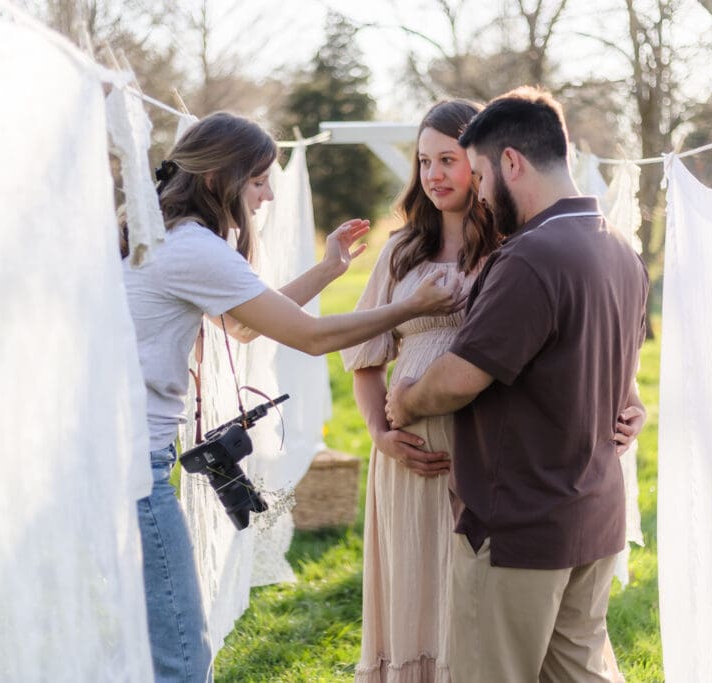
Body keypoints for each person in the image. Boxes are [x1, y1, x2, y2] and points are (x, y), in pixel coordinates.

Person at [121, 111, 463, 683]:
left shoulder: (156, 231)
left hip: (117, 456)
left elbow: (245, 325)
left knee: (155, 642)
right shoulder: (190, 247)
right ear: (217, 180)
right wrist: (412, 306)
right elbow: (310, 338)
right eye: (258, 180)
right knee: (182, 656)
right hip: (136, 465)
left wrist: (329, 269)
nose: (268, 195)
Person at [385, 87, 649, 683]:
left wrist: (405, 399)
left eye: (478, 173)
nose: (478, 191)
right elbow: (618, 374)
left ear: (511, 163)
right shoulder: (620, 250)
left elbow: (458, 379)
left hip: (519, 525)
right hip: (594, 514)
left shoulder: (530, 257)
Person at [341, 99, 499, 681]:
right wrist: (379, 435)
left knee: (472, 591)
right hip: (410, 460)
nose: (433, 175)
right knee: (414, 585)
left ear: (480, 162)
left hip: (483, 448)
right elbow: (365, 360)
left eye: (448, 160)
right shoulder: (401, 250)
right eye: (424, 161)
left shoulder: (510, 245)